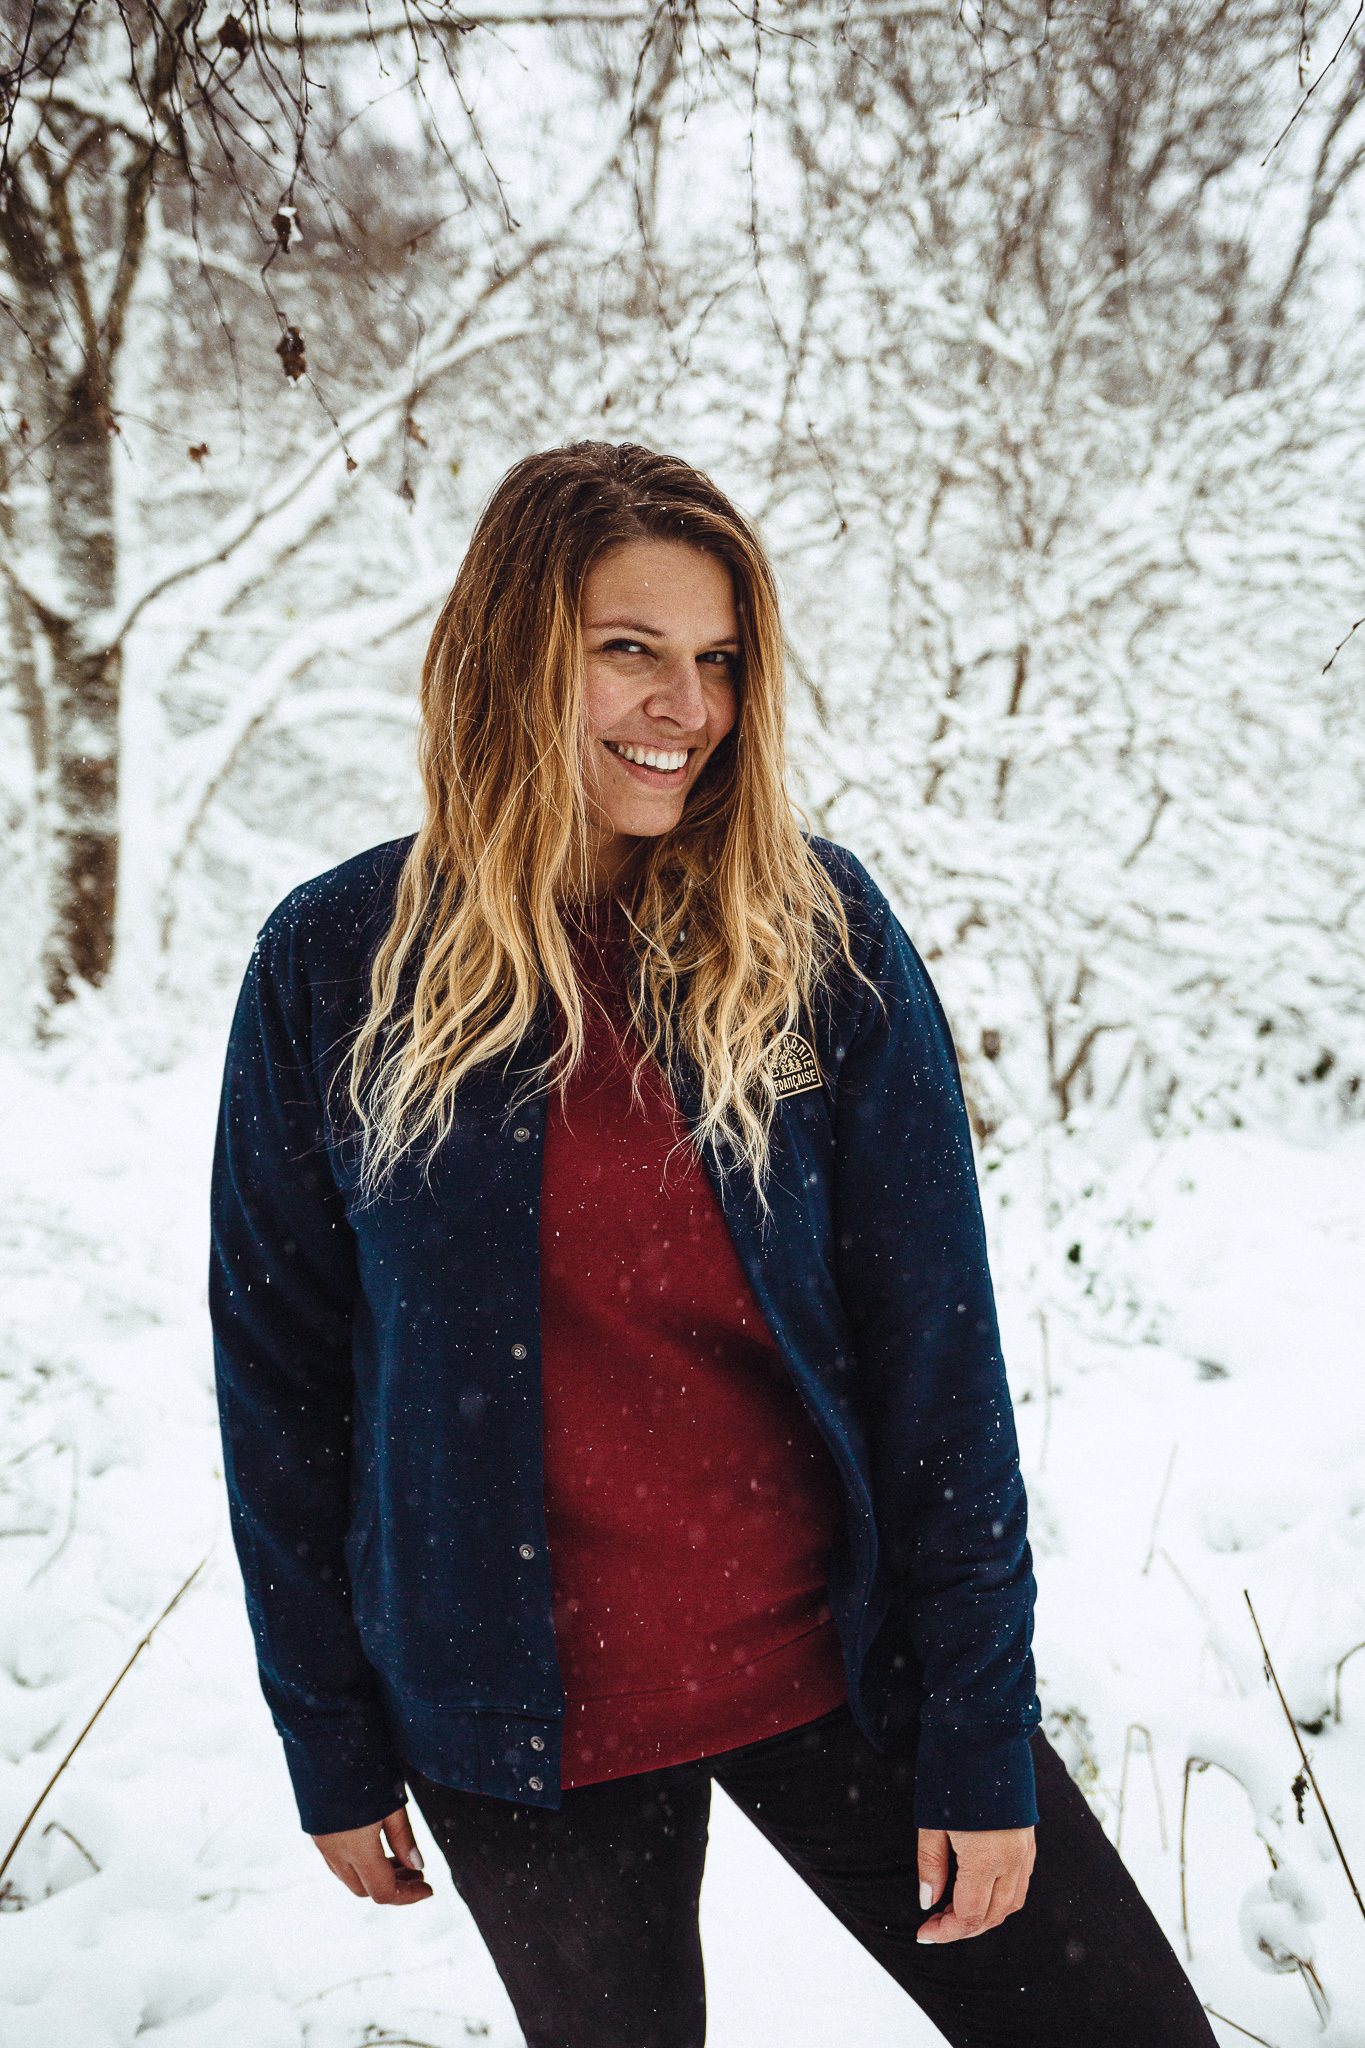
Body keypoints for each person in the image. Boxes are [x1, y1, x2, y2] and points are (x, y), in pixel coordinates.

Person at [210, 442, 1215, 2048]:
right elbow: (281, 1387)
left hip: (841, 1664)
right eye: (629, 649)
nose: (684, 706)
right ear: (510, 656)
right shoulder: (338, 963)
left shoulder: (812, 935)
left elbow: (937, 1357)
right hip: (518, 1719)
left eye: (721, 660)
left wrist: (977, 1726)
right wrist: (324, 1735)